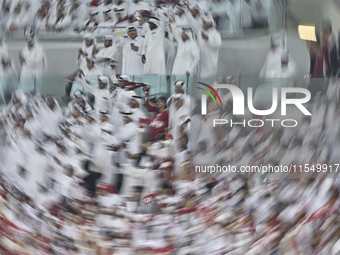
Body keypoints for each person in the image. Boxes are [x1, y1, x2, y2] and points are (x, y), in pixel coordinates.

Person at [185, 7, 222, 78]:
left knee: (207, 77)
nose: (203, 24)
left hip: (210, 60)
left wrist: (207, 39)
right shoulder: (200, 31)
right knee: (199, 77)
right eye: (203, 22)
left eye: (205, 23)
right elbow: (192, 23)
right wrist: (187, 12)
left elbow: (218, 45)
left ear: (210, 24)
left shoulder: (216, 34)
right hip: (200, 59)